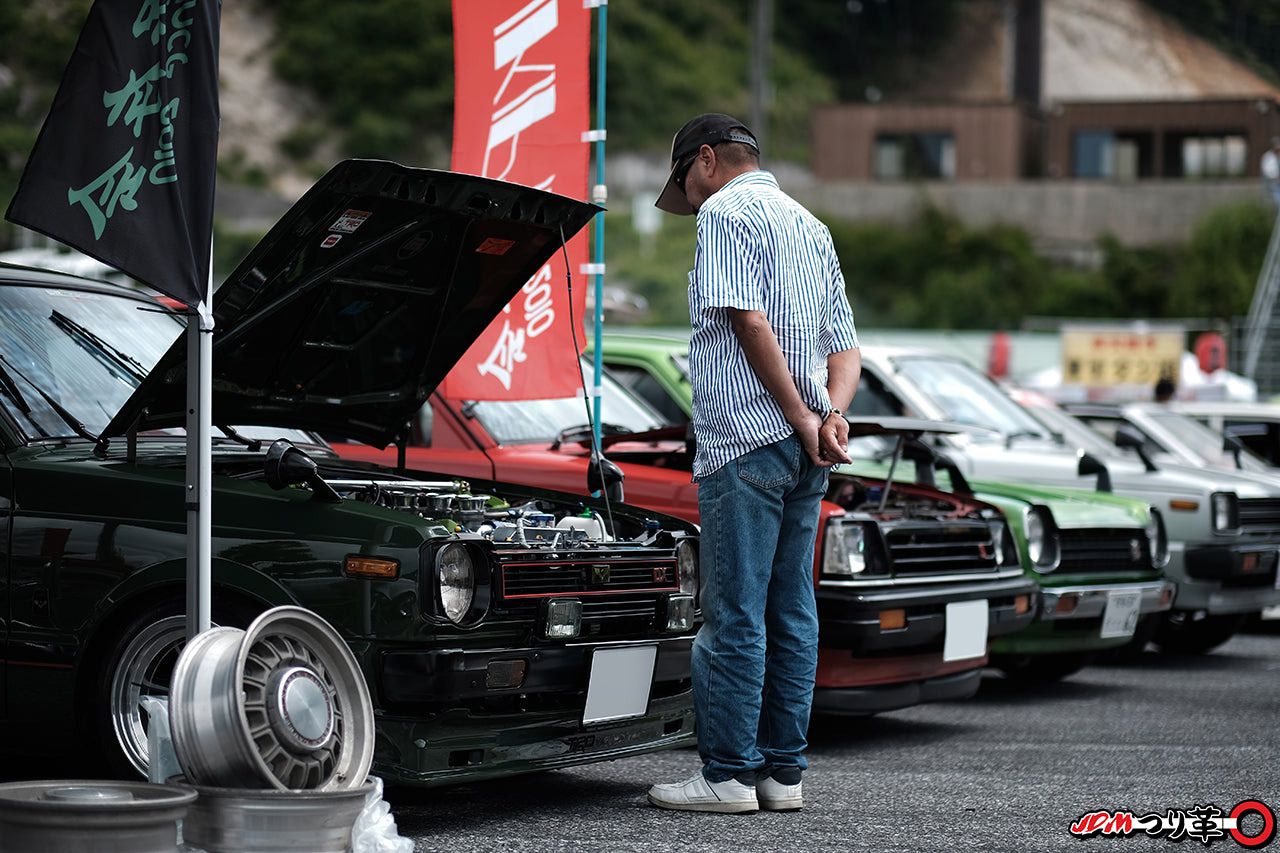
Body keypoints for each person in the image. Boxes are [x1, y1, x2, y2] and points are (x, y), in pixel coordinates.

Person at [646, 113, 861, 814]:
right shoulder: (810, 225)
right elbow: (846, 348)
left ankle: (727, 775)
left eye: (687, 185)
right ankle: (782, 775)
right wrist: (829, 414)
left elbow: (746, 318)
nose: (692, 204)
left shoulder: (726, 212)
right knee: (792, 610)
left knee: (734, 611)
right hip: (807, 451)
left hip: (744, 439)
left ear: (705, 161)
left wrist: (801, 414)